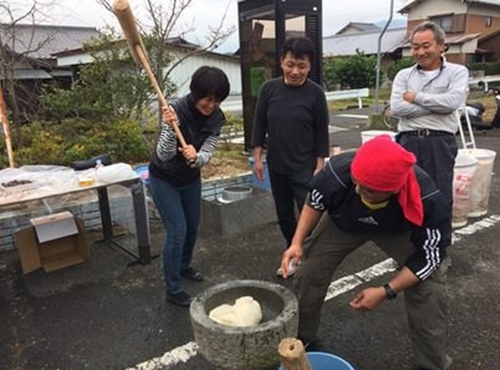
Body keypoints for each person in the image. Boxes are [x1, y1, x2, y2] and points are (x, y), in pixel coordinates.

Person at [281, 136, 452, 370]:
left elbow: (430, 258)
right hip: (344, 223)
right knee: (309, 270)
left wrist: (386, 291)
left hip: (397, 229)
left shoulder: (427, 200)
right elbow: (315, 202)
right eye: (356, 182)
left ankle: (431, 363)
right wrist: (296, 242)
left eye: (369, 190)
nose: (359, 190)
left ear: (393, 190)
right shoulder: (338, 172)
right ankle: (301, 341)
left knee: (429, 285)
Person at [148, 66, 230, 307]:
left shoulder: (217, 117)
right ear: (196, 93)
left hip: (190, 178)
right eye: (208, 99)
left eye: (217, 100)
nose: (211, 105)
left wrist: (197, 157)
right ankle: (172, 288)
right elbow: (162, 155)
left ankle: (183, 266)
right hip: (164, 178)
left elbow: (208, 151)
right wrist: (168, 128)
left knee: (193, 227)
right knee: (177, 231)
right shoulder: (176, 111)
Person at [251, 37, 330, 276]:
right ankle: (292, 252)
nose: (295, 71)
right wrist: (257, 158)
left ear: (310, 66)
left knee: (310, 215)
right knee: (284, 214)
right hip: (276, 165)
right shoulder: (269, 89)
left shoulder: (315, 94)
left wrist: (320, 163)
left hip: (304, 166)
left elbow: (321, 130)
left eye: (302, 66)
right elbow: (259, 125)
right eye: (290, 64)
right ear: (282, 62)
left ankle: (309, 255)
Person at [390, 20, 469, 226]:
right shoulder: (403, 75)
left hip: (439, 142)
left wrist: (415, 96)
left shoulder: (457, 72)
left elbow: (452, 103)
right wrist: (437, 104)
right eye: (415, 47)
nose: (420, 51)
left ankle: (439, 250)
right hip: (408, 142)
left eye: (426, 46)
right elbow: (397, 109)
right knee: (406, 194)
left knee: (439, 195)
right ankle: (409, 249)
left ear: (441, 46)